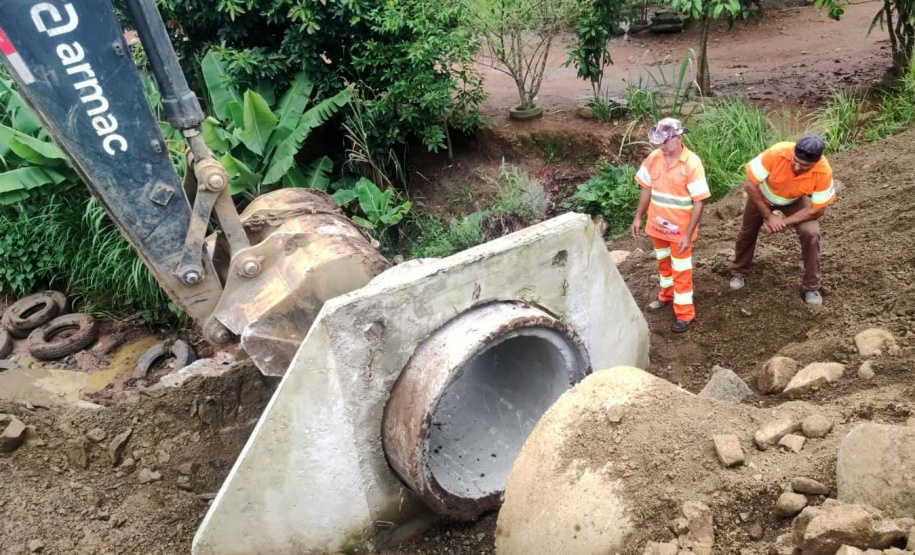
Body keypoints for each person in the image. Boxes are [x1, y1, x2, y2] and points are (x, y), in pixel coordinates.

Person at [729, 134, 835, 305]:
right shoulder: (777, 152)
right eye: (795, 161)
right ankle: (739, 272)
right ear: (793, 152)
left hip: (793, 200)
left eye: (805, 166)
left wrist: (782, 222)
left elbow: (817, 210)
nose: (798, 167)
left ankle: (811, 287)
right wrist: (769, 216)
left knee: (811, 233)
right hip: (762, 196)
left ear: (816, 162)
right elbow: (749, 185)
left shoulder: (823, 171)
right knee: (747, 232)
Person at [631, 118, 710, 333]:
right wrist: (639, 216)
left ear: (678, 137)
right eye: (659, 143)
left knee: (681, 270)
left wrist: (688, 233)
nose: (662, 147)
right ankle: (665, 295)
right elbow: (646, 189)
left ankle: (685, 313)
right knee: (663, 264)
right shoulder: (653, 159)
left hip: (680, 231)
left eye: (665, 142)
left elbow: (699, 201)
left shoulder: (691, 164)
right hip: (657, 226)